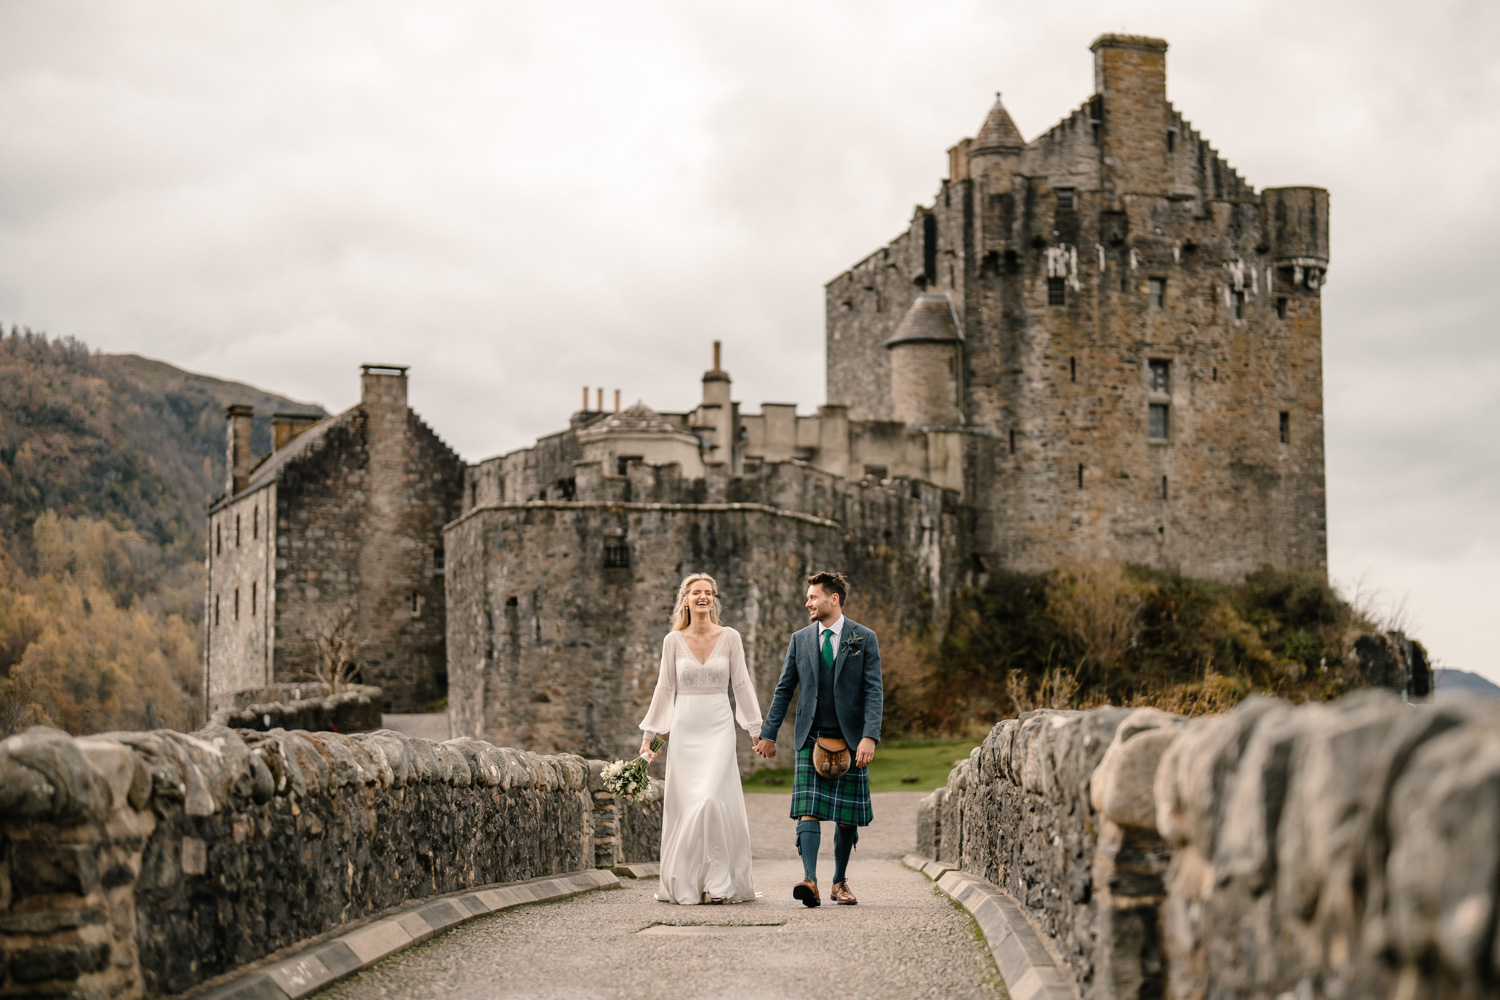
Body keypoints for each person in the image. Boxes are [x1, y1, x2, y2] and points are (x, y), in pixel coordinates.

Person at [754, 571, 882, 907]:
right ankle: (809, 880)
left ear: (833, 598)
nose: (808, 602)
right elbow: (784, 689)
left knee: (846, 816)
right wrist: (768, 733)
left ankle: (839, 882)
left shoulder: (863, 638)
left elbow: (874, 692)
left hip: (851, 739)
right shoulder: (800, 639)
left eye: (813, 597)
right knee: (807, 810)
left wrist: (869, 736)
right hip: (811, 737)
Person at [638, 573, 764, 904]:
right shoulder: (672, 641)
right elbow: (664, 689)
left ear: (714, 600)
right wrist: (649, 738)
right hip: (685, 732)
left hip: (719, 729)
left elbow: (741, 684)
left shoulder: (730, 637)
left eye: (708, 592)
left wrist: (755, 729)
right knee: (689, 804)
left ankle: (720, 883)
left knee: (711, 800)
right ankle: (689, 881)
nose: (703, 597)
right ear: (686, 600)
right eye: (696, 592)